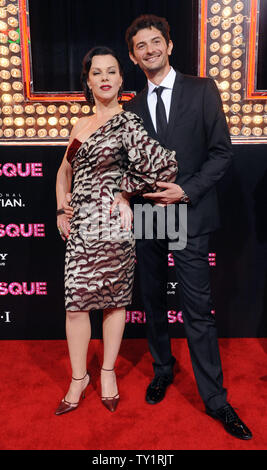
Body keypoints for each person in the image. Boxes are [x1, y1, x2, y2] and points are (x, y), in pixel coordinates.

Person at [119, 14, 252, 440]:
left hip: (186, 212)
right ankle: (162, 369)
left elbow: (221, 153)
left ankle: (216, 400)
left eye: (156, 41)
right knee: (154, 300)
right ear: (133, 55)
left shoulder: (201, 90)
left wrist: (184, 191)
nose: (150, 49)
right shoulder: (132, 107)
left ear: (170, 46)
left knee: (197, 309)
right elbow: (128, 165)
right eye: (142, 45)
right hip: (150, 215)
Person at [55, 45, 177, 415]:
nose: (105, 78)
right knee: (76, 305)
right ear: (88, 81)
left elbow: (164, 165)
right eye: (97, 73)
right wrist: (62, 208)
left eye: (112, 71)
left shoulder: (130, 122)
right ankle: (80, 377)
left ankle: (107, 372)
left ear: (122, 79)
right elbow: (64, 173)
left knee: (113, 302)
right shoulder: (80, 125)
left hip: (112, 226)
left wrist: (125, 192)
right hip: (80, 227)